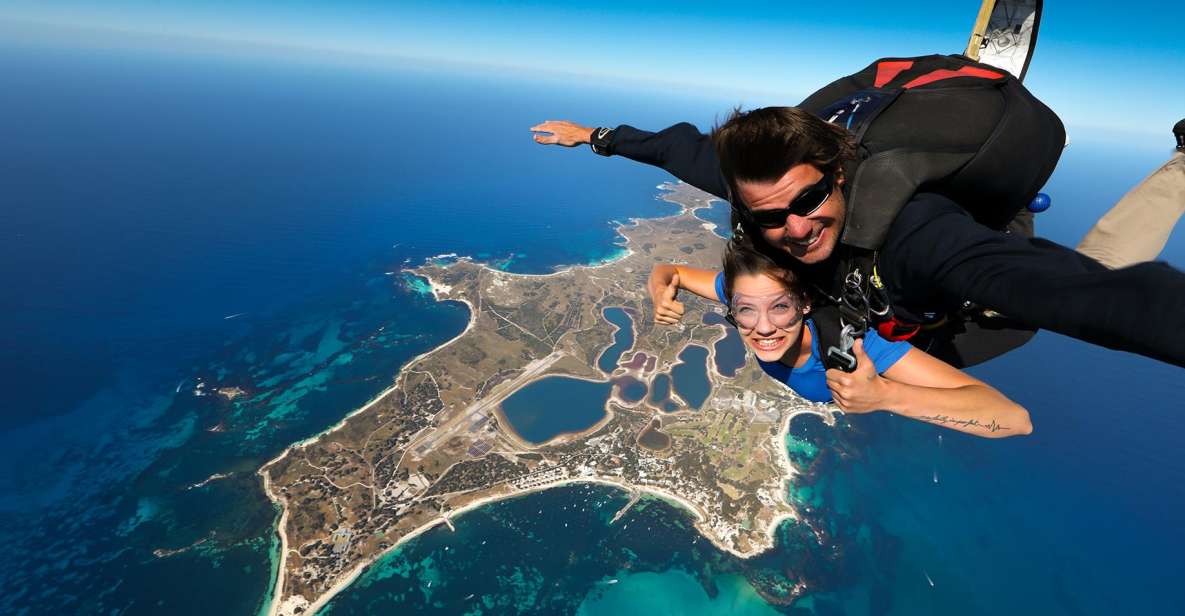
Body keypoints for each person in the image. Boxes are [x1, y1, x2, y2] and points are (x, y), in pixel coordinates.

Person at [531, 55, 1185, 370]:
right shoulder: (763, 198)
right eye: (768, 216)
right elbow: (682, 151)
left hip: (973, 308)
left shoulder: (912, 236)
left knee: (1092, 267)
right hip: (900, 315)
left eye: (810, 199)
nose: (792, 226)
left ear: (840, 175)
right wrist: (595, 137)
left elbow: (1082, 295)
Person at [648, 236, 1032, 439]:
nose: (762, 327)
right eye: (745, 310)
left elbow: (1014, 419)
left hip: (959, 334)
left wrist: (885, 395)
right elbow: (670, 271)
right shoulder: (747, 292)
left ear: (805, 304)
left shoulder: (857, 347)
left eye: (780, 307)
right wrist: (660, 292)